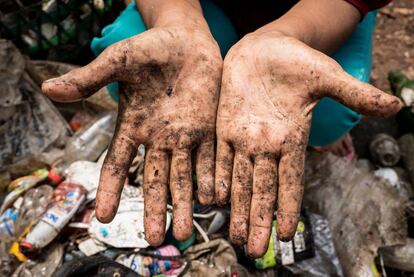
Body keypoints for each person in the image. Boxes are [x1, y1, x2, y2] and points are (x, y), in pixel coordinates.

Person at [42, 0, 402, 257]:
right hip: (198, 7)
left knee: (328, 116)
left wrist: (283, 35)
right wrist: (178, 22)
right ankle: (213, 112)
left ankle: (310, 126)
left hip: (318, 10)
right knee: (136, 63)